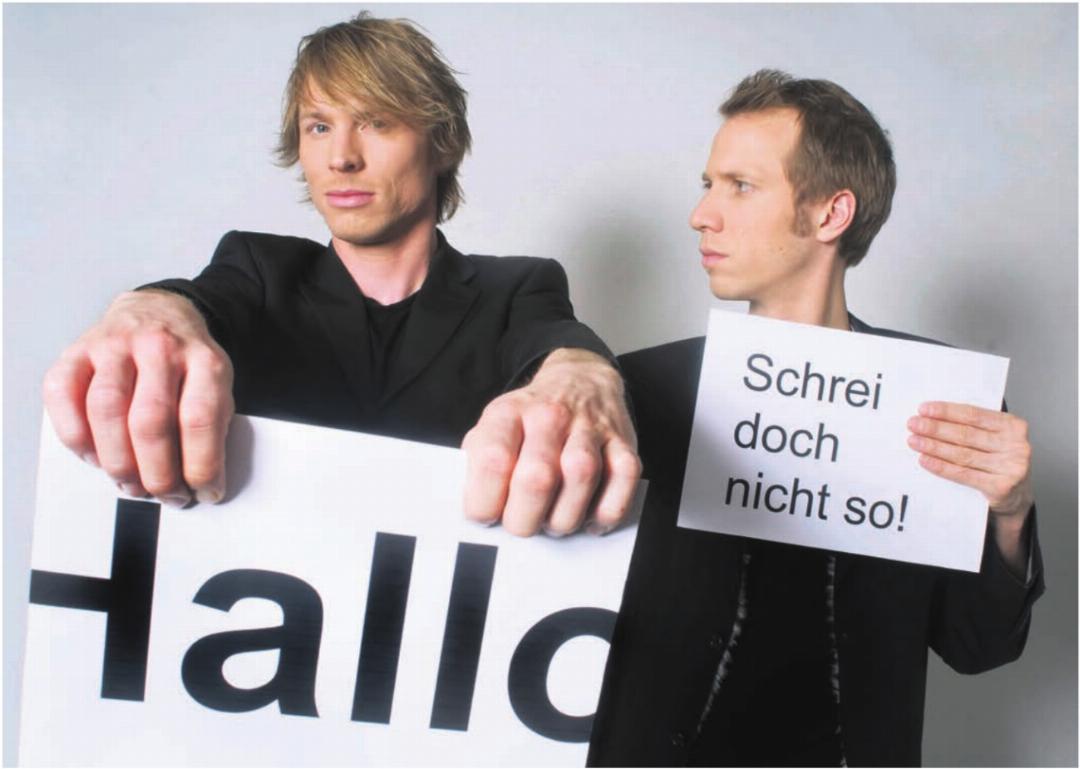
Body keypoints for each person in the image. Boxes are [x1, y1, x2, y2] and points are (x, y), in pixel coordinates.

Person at [588, 70, 1044, 766]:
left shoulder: (941, 402)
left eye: (741, 186)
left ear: (832, 215)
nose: (702, 214)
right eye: (708, 184)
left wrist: (1009, 516)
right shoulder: (637, 391)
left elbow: (978, 646)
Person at [41, 13, 640, 538]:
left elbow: (553, 340)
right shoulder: (257, 268)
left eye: (376, 122)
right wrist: (150, 310)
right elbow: (202, 300)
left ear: (441, 144)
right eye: (319, 126)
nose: (341, 158)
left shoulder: (517, 289)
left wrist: (582, 374)